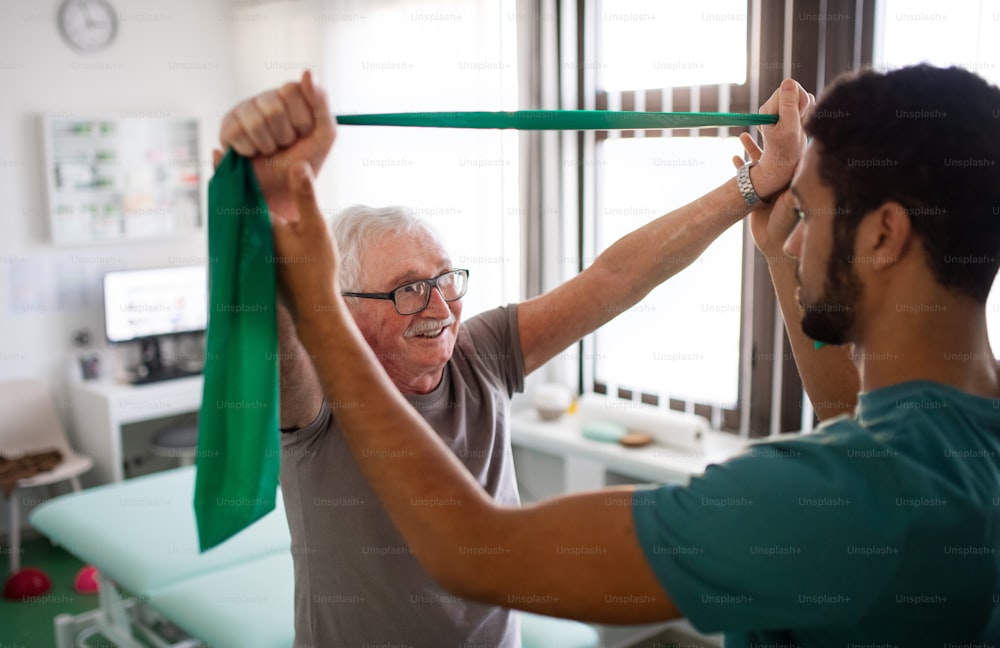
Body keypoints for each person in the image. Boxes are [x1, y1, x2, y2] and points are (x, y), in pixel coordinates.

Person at [268, 64, 1000, 645]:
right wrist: (769, 230)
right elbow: (851, 415)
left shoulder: (819, 497)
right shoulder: (948, 449)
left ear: (884, 236)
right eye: (404, 290)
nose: (796, 234)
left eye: (808, 212)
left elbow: (475, 552)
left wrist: (308, 282)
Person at [218, 72, 812, 647]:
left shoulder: (480, 353)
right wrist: (265, 208)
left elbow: (616, 276)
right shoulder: (317, 396)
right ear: (344, 308)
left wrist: (754, 185)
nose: (440, 306)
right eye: (407, 288)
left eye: (446, 278)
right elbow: (278, 327)